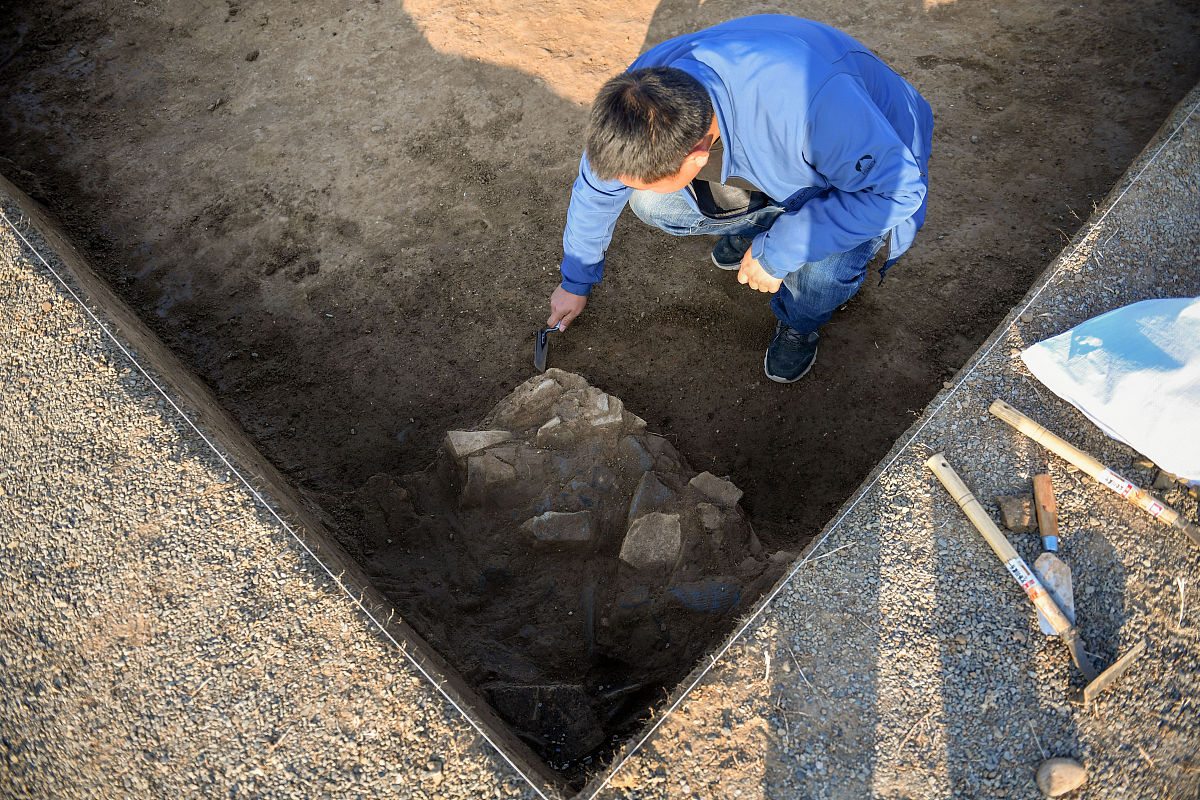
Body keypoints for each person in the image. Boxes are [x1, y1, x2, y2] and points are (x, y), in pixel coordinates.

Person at [546, 15, 933, 383]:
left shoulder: (810, 110)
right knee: (652, 203)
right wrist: (576, 280)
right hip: (778, 151)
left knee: (823, 275)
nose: (626, 185)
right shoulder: (640, 97)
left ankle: (799, 324)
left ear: (697, 155)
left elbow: (898, 190)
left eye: (646, 178)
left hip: (867, 164)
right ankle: (764, 223)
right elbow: (597, 189)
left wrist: (782, 250)